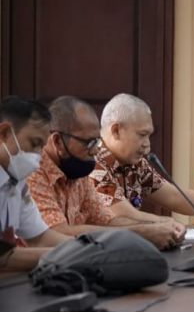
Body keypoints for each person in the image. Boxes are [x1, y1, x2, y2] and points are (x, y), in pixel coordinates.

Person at [26, 96, 183, 250]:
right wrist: (143, 233)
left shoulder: (78, 171)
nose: (96, 150)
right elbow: (55, 234)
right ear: (58, 142)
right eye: (89, 143)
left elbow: (108, 221)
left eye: (97, 141)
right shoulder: (33, 171)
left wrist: (158, 226)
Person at [90, 93, 194, 222]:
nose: (147, 145)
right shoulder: (93, 163)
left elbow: (174, 197)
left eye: (149, 136)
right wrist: (167, 224)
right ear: (116, 131)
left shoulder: (135, 164)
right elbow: (124, 217)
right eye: (142, 135)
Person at [0, 96, 69, 272]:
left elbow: (39, 238)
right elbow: (3, 258)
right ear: (4, 133)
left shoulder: (16, 183)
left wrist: (91, 247)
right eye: (34, 143)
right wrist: (76, 255)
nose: (37, 158)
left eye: (41, 148)